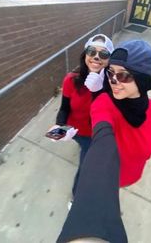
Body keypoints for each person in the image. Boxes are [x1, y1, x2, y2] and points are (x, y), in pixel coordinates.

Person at [57, 40, 151, 243]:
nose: (113, 81)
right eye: (110, 73)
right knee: (85, 163)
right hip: (102, 178)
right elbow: (101, 143)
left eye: (123, 75)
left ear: (142, 79)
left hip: (128, 177)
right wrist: (85, 223)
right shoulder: (104, 103)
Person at [48, 34, 114, 207]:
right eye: (92, 51)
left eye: (104, 54)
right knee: (82, 148)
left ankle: (76, 198)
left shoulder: (113, 84)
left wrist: (99, 90)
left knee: (86, 167)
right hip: (74, 131)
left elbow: (110, 113)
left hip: (94, 136)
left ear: (109, 60)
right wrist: (59, 125)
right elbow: (64, 107)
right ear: (85, 55)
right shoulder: (71, 79)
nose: (97, 57)